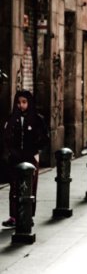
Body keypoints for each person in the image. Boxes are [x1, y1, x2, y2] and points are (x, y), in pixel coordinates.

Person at [2, 90, 49, 228]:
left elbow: (45, 138)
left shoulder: (37, 119)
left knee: (30, 187)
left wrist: (35, 150)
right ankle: (14, 216)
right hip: (15, 159)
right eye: (18, 102)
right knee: (14, 188)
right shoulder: (12, 119)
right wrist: (11, 153)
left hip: (30, 158)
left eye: (24, 102)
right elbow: (6, 137)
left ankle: (28, 215)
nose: (21, 105)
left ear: (29, 102)